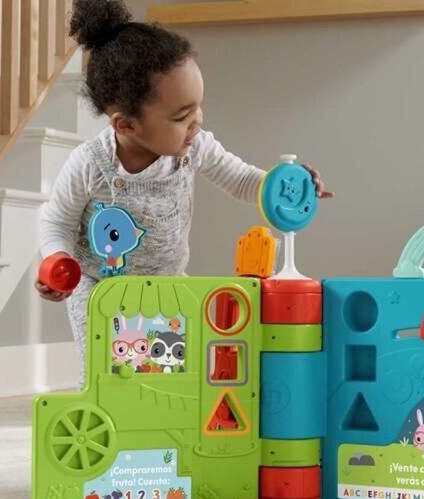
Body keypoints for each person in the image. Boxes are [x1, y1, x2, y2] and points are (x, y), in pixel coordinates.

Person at [35, 0, 333, 388]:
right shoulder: (90, 164)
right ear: (126, 125)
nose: (198, 122)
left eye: (198, 109)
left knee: (167, 369)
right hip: (99, 289)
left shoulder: (195, 148)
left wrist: (285, 186)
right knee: (107, 372)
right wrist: (57, 259)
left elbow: (243, 180)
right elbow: (56, 221)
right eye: (181, 117)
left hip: (168, 283)